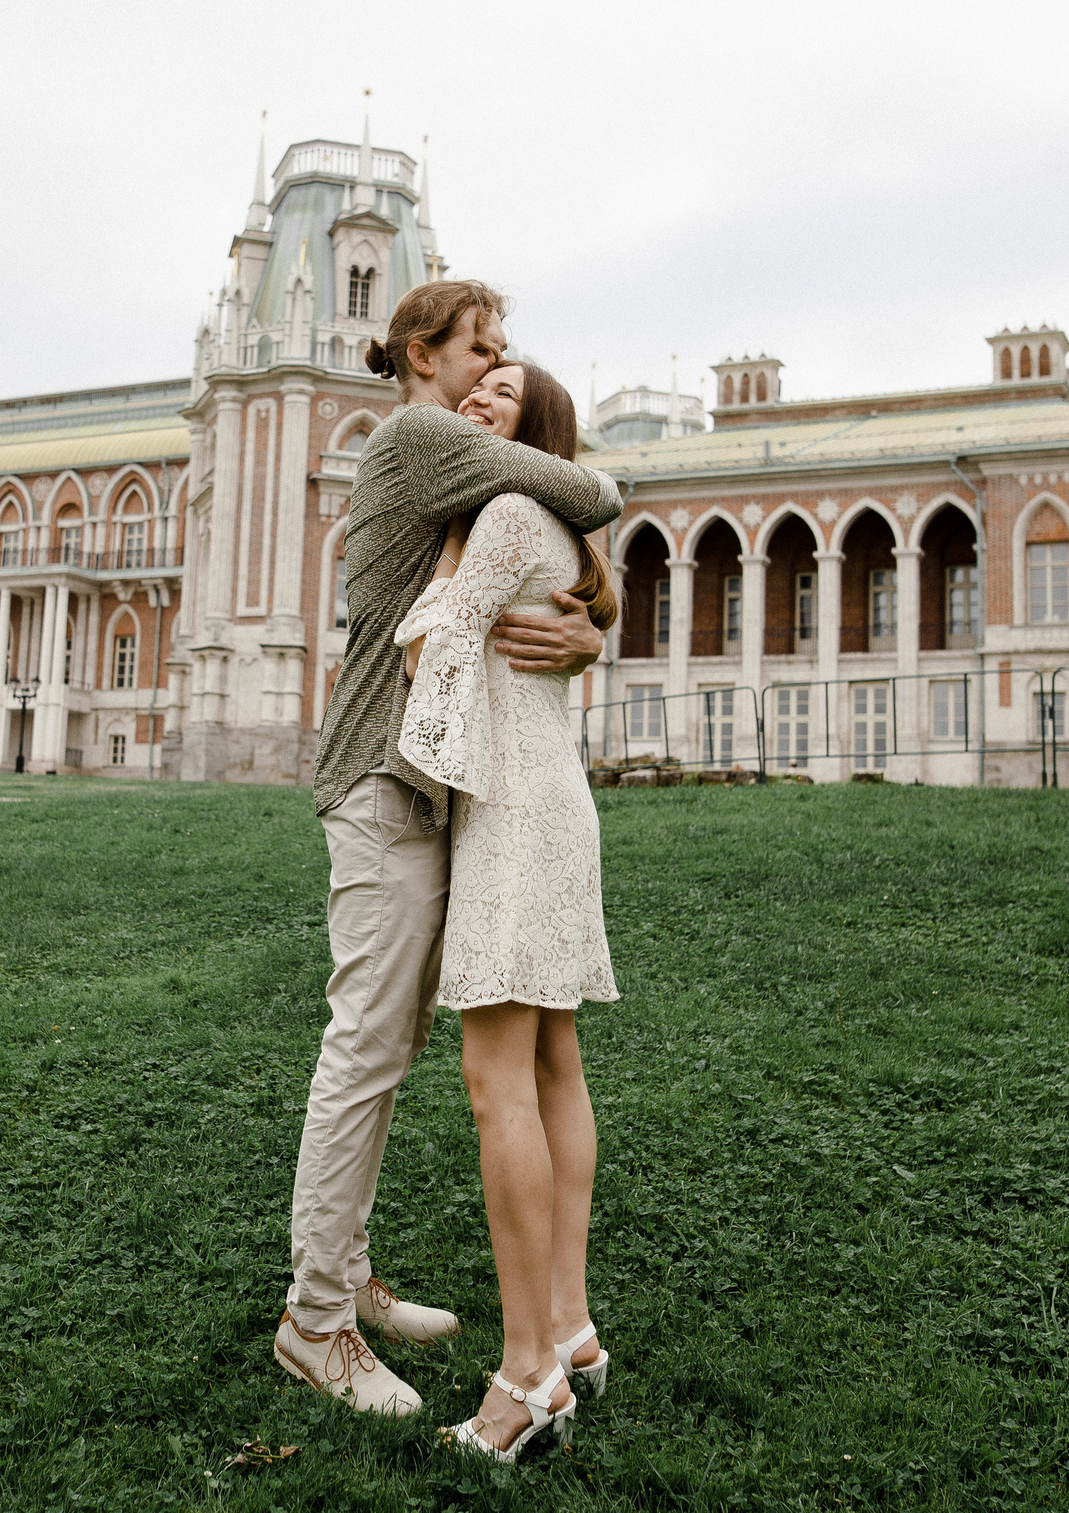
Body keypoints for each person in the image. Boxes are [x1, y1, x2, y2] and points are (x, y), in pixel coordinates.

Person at [274, 281, 622, 1417]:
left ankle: (348, 1273)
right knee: (366, 1049)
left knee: (390, 1048)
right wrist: (591, 619)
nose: (494, 367)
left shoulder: (455, 458)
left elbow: (526, 565)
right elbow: (588, 487)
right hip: (383, 783)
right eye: (482, 349)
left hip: (435, 788)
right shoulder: (420, 431)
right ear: (425, 354)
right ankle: (315, 1322)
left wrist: (582, 632)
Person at [393, 361, 618, 1462]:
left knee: (497, 1086)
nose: (478, 399)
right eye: (472, 387)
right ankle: (568, 1328)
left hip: (512, 814)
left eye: (501, 395)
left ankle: (526, 1373)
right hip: (551, 800)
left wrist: (443, 560)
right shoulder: (552, 521)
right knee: (549, 1065)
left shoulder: (510, 511)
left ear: (536, 428)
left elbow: (432, 650)